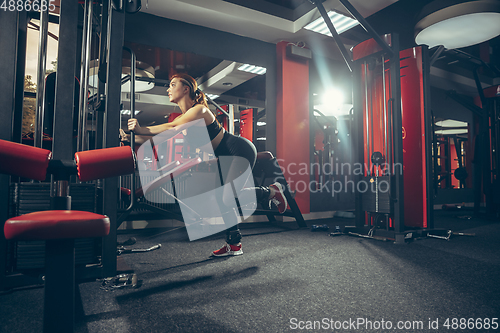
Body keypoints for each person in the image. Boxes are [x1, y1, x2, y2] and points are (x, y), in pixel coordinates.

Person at [120, 73, 287, 257]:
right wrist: (131, 137)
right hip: (224, 157)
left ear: (186, 89)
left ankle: (270, 191)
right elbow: (164, 135)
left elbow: (172, 127)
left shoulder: (200, 110)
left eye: (173, 84)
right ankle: (234, 244)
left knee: (226, 197)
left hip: (239, 150)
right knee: (224, 199)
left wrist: (141, 129)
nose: (168, 89)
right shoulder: (185, 118)